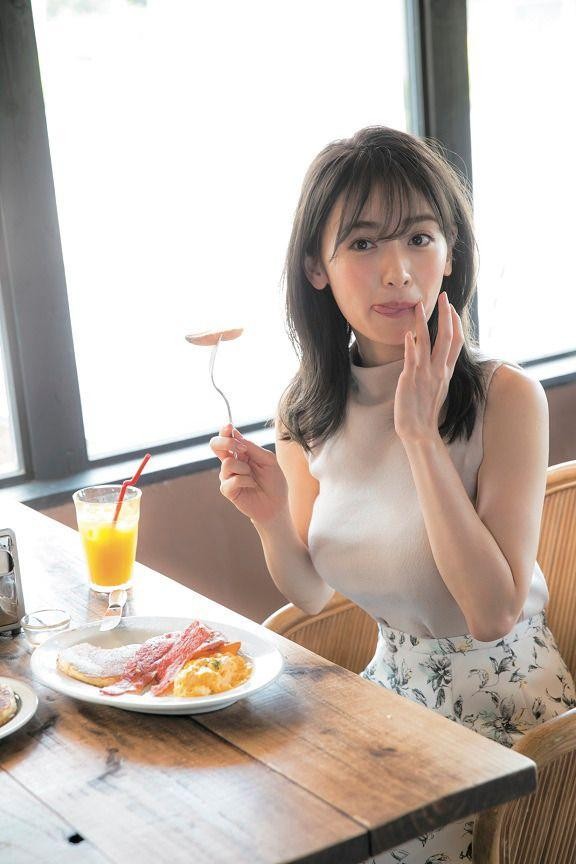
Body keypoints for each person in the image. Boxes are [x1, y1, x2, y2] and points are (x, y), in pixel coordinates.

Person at [209, 126, 576, 863]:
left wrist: (420, 439)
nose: (398, 271)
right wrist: (271, 518)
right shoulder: (306, 410)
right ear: (316, 267)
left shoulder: (507, 397)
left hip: (511, 729)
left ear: (450, 254)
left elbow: (493, 613)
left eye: (419, 238)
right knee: (249, 829)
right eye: (363, 243)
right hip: (387, 707)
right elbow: (312, 594)